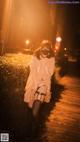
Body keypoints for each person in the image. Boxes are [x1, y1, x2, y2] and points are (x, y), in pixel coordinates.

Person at [24, 40, 55, 119]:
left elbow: (50, 72)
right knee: (30, 103)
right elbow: (32, 69)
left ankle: (33, 121)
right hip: (34, 82)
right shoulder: (35, 57)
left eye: (47, 50)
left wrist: (45, 62)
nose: (45, 51)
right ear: (41, 48)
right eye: (44, 49)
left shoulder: (51, 58)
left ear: (49, 50)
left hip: (44, 83)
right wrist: (36, 79)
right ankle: (30, 121)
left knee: (38, 101)